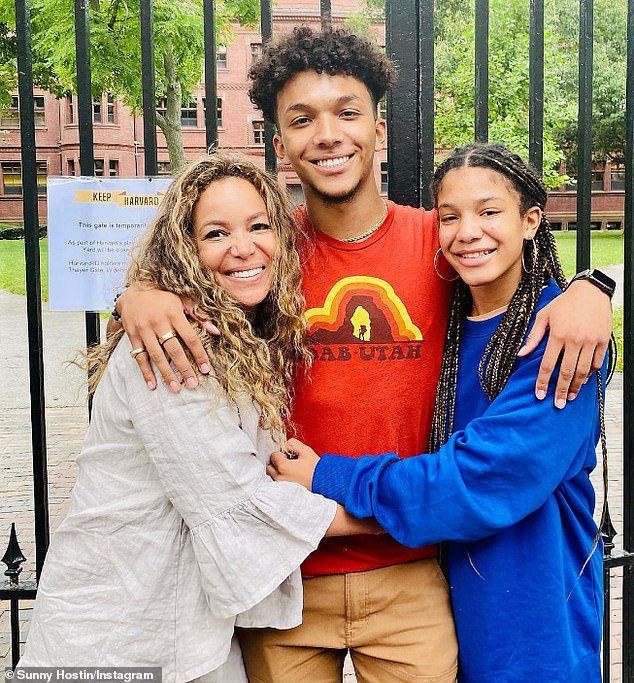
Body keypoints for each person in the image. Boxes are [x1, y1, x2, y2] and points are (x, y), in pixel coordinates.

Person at [114, 28, 614, 683]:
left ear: (378, 129)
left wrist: (592, 286)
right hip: (286, 575)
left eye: (346, 113)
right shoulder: (263, 254)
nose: (327, 134)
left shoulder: (440, 244)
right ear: (279, 142)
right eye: (303, 119)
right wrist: (138, 292)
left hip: (409, 569)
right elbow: (190, 265)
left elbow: (510, 270)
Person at [18, 155, 377, 681]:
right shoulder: (173, 347)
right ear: (185, 249)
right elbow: (237, 504)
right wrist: (404, 517)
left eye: (259, 226)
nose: (243, 246)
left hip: (188, 629)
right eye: (216, 233)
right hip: (117, 635)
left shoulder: (235, 333)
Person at [270, 143, 613, 683]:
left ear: (531, 222)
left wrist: (324, 476)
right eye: (450, 217)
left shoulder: (560, 342)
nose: (468, 231)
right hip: (453, 607)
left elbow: (470, 481)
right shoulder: (451, 319)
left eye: (489, 211)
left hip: (533, 622)